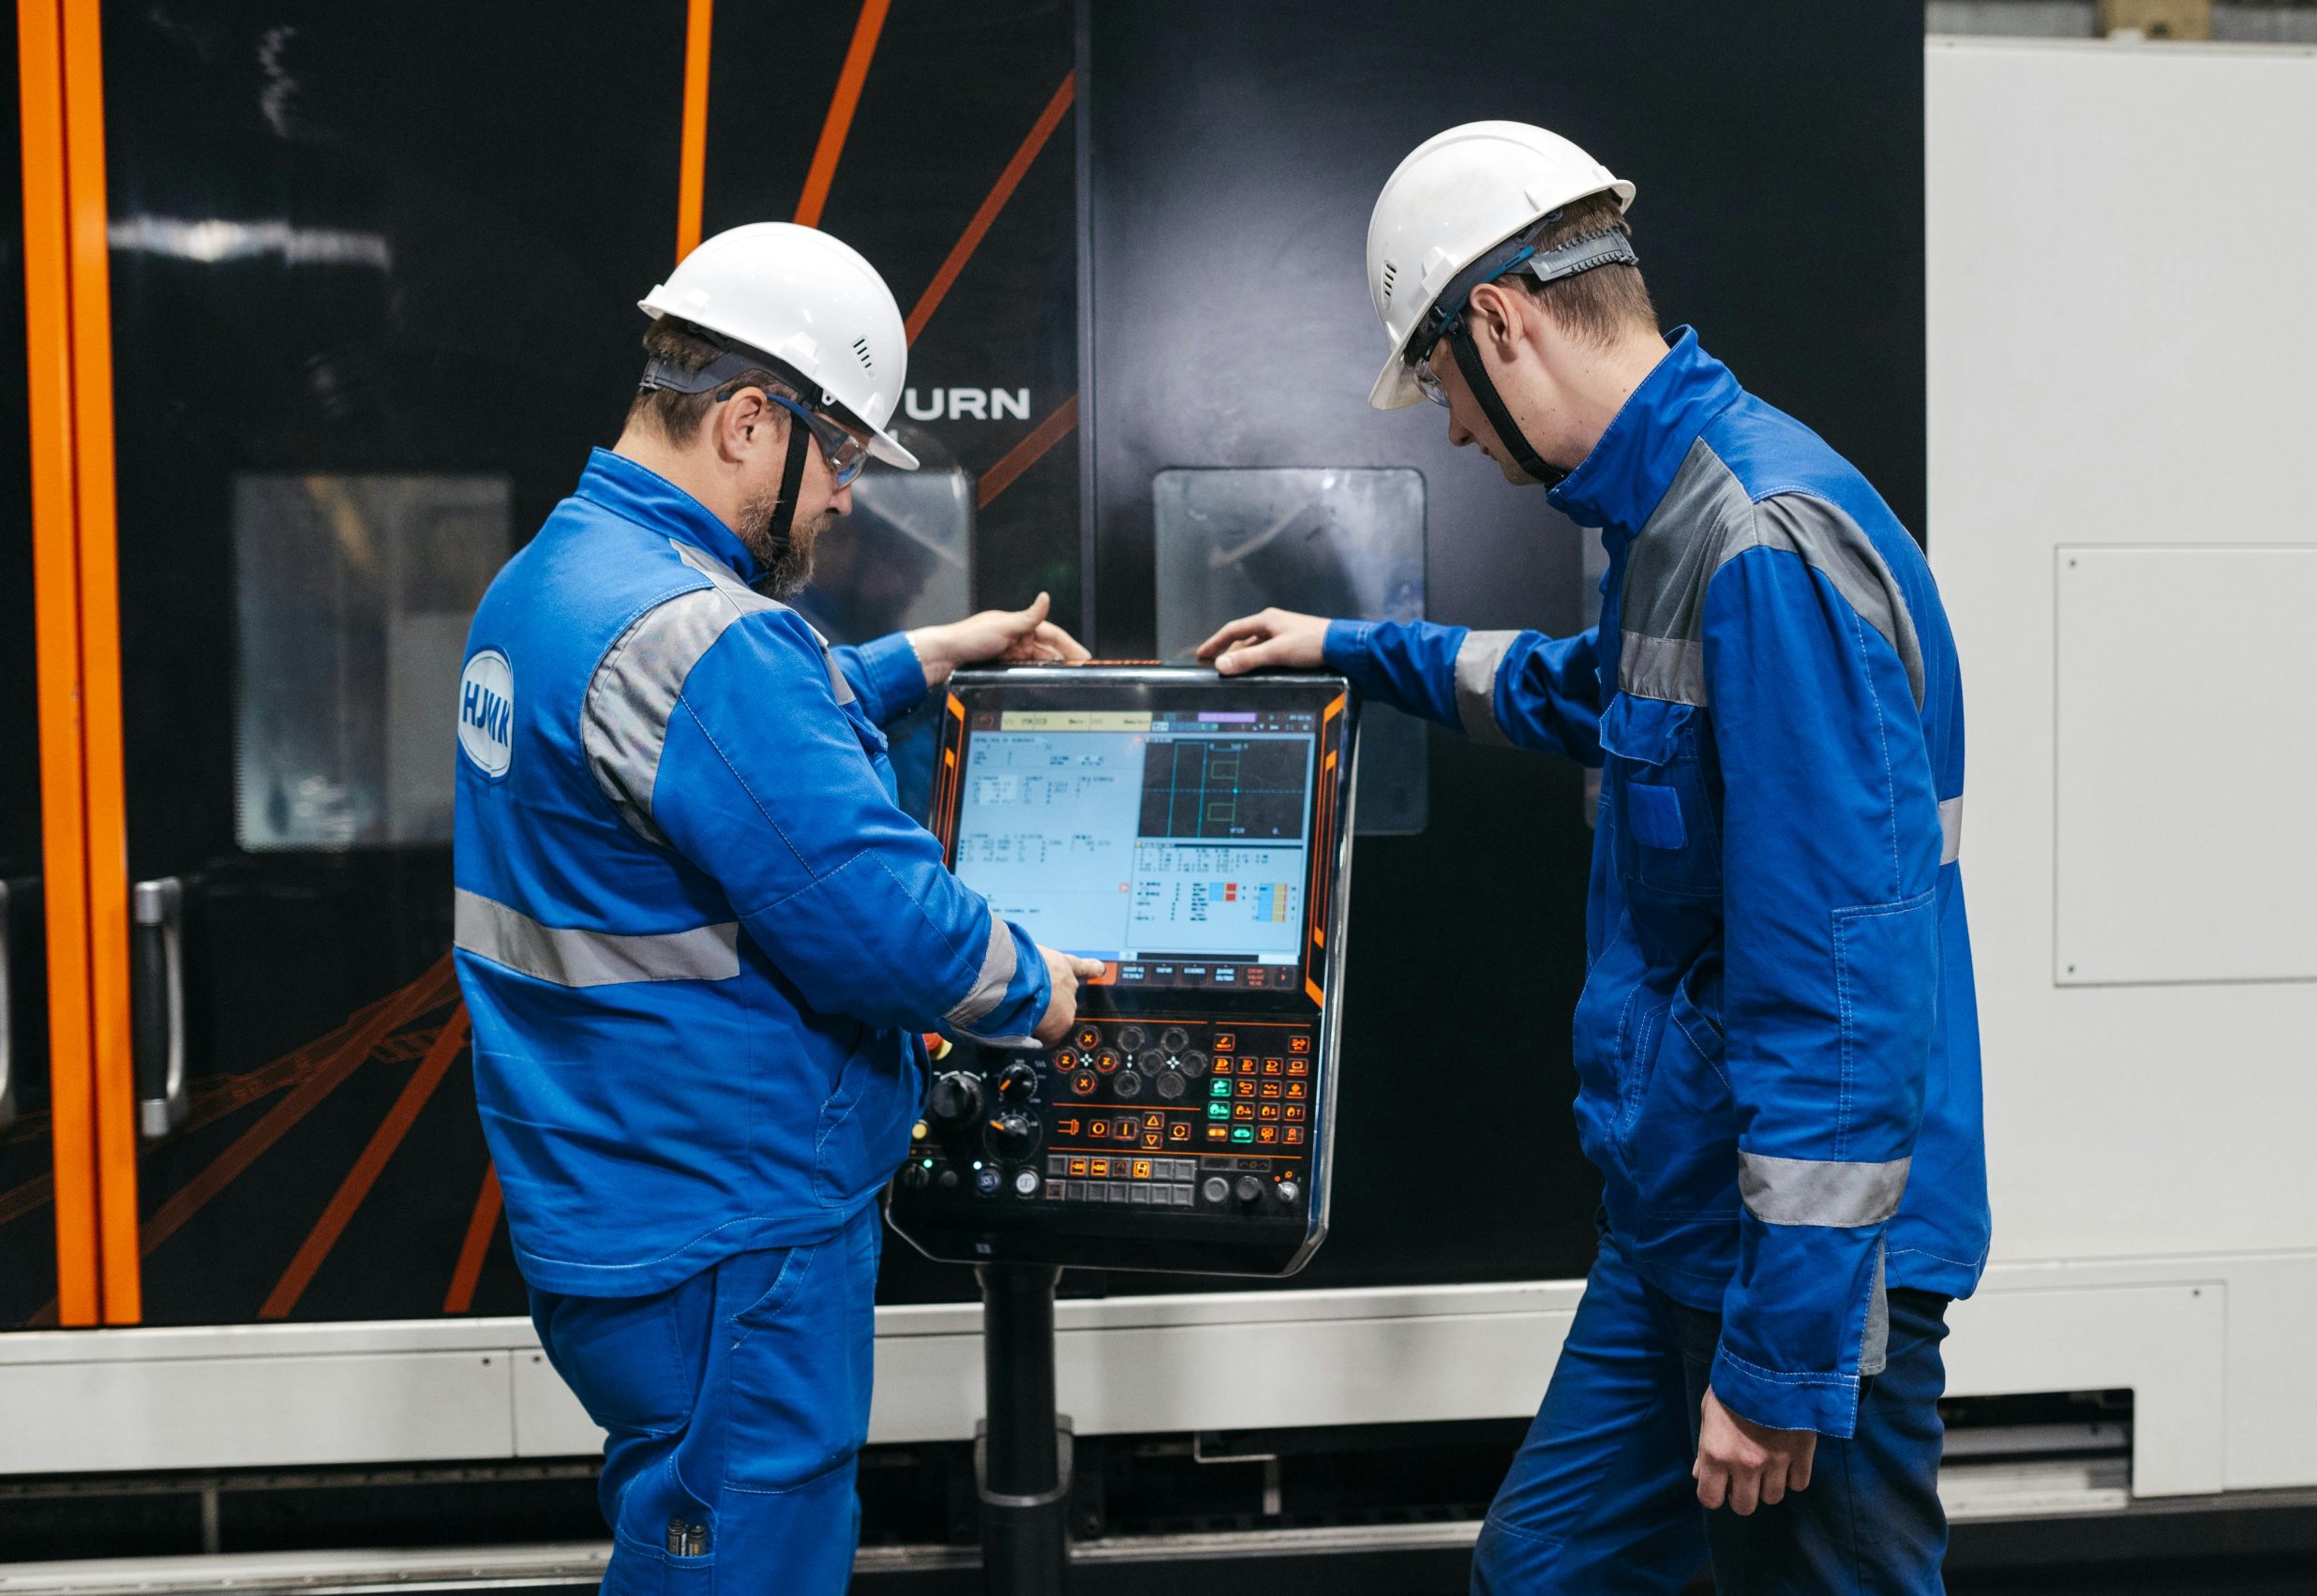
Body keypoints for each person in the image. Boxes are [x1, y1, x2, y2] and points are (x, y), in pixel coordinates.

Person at [1201, 122, 1983, 1593]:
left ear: (1501, 323)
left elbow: (1842, 983)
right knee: (1543, 1575)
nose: (1451, 430)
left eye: (1440, 383)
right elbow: (1592, 697)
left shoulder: (1760, 541)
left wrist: (1782, 1359)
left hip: (1803, 1253)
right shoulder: (1674, 517)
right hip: (1684, 1211)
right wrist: (1350, 648)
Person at [451, 222, 1103, 1594]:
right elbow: (884, 925)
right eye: (843, 454)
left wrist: (922, 657)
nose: (847, 498)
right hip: (730, 1231)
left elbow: (704, 759)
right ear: (752, 421)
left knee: (682, 1541)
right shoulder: (710, 640)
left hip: (610, 1207)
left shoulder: (552, 585)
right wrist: (1041, 987)